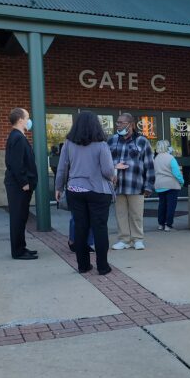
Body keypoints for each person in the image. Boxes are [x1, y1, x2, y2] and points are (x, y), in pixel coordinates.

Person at [54, 111, 116, 275]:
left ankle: (83, 266)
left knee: (80, 228)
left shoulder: (68, 143)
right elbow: (108, 170)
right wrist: (113, 176)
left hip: (75, 190)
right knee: (99, 228)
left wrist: (58, 188)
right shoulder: (101, 144)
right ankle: (103, 267)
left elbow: (62, 168)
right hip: (98, 191)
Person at [108, 112, 155, 250]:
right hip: (117, 185)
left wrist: (149, 185)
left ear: (131, 125)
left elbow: (149, 165)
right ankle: (124, 240)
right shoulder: (111, 140)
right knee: (120, 214)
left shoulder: (142, 141)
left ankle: (137, 239)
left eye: (121, 123)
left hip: (136, 185)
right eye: (117, 122)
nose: (118, 125)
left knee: (136, 214)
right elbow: (104, 162)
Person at [4, 107, 38, 260]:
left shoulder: (18, 136)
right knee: (18, 218)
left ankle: (21, 247)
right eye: (27, 117)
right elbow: (15, 163)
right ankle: (18, 251)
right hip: (18, 186)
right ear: (20, 120)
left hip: (20, 185)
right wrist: (24, 182)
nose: (29, 120)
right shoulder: (17, 137)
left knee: (22, 217)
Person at [153, 139, 184, 231]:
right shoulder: (170, 158)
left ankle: (161, 224)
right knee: (171, 206)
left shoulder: (156, 158)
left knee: (162, 205)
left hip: (160, 184)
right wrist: (181, 181)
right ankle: (168, 225)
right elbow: (176, 172)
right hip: (171, 185)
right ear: (167, 147)